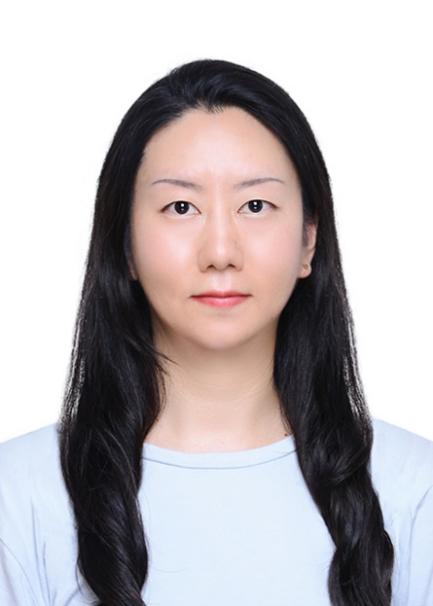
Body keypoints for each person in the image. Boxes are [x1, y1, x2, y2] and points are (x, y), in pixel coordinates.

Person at [0, 58, 432, 606]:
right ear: (125, 244)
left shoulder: (413, 489)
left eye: (255, 205)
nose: (221, 252)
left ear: (308, 240)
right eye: (181, 207)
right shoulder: (20, 496)